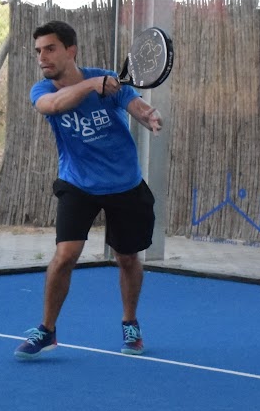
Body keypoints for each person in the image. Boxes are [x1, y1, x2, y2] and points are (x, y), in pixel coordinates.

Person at [14, 19, 163, 359]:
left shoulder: (109, 81)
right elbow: (54, 106)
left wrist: (148, 115)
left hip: (124, 182)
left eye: (50, 49)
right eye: (38, 51)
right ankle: (47, 330)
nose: (42, 57)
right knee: (65, 255)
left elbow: (135, 105)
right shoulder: (43, 90)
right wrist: (92, 85)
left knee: (127, 258)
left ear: (71, 51)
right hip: (77, 182)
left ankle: (130, 323)